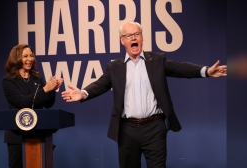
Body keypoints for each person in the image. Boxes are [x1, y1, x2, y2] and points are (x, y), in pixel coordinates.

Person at [61, 20, 227, 168]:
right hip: (126, 129)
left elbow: (180, 68)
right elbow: (100, 84)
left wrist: (206, 71)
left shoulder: (157, 60)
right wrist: (83, 93)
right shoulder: (115, 67)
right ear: (122, 41)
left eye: (137, 34)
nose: (133, 38)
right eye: (129, 35)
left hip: (154, 128)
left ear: (142, 38)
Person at [2, 44, 63, 168]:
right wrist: (45, 89)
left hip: (38, 132)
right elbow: (22, 102)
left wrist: (52, 90)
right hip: (17, 135)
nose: (29, 59)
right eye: (25, 56)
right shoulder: (8, 81)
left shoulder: (37, 79)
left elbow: (47, 104)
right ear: (16, 58)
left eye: (31, 55)